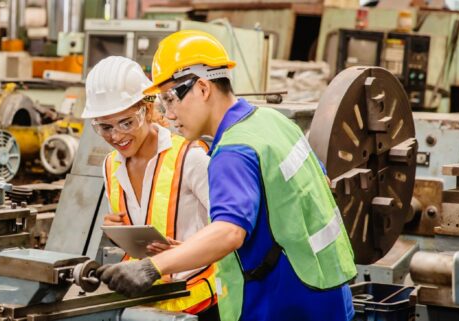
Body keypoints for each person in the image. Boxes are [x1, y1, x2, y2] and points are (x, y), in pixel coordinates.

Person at [94, 31, 357, 321]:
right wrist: (190, 249)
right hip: (326, 290)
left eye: (170, 99)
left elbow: (230, 232)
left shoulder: (232, 151)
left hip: (281, 301)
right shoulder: (272, 122)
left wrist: (151, 268)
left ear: (203, 88)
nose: (168, 115)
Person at [83, 56, 219, 319]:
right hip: (143, 304)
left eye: (126, 122)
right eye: (105, 127)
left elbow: (230, 233)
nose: (117, 136)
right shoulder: (110, 165)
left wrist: (182, 251)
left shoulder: (190, 158)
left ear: (147, 109)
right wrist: (117, 232)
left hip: (199, 304)